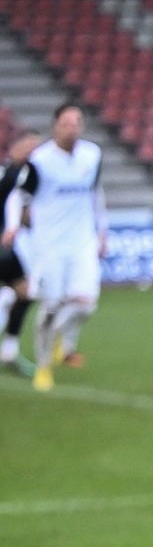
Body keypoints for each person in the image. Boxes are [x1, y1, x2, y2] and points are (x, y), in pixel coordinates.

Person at [3, 106, 105, 392]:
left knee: (86, 304)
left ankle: (61, 338)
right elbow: (17, 197)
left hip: (83, 242)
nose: (71, 129)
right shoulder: (41, 161)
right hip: (49, 246)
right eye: (66, 124)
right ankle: (44, 367)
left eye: (76, 123)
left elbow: (96, 193)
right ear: (55, 126)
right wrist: (13, 225)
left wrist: (103, 231)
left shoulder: (92, 155)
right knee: (50, 306)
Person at [0, 128, 42, 374]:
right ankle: (9, 349)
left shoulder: (25, 177)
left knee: (24, 292)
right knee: (23, 291)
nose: (33, 153)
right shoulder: (12, 175)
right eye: (30, 147)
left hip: (8, 247)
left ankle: (9, 350)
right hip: (4, 247)